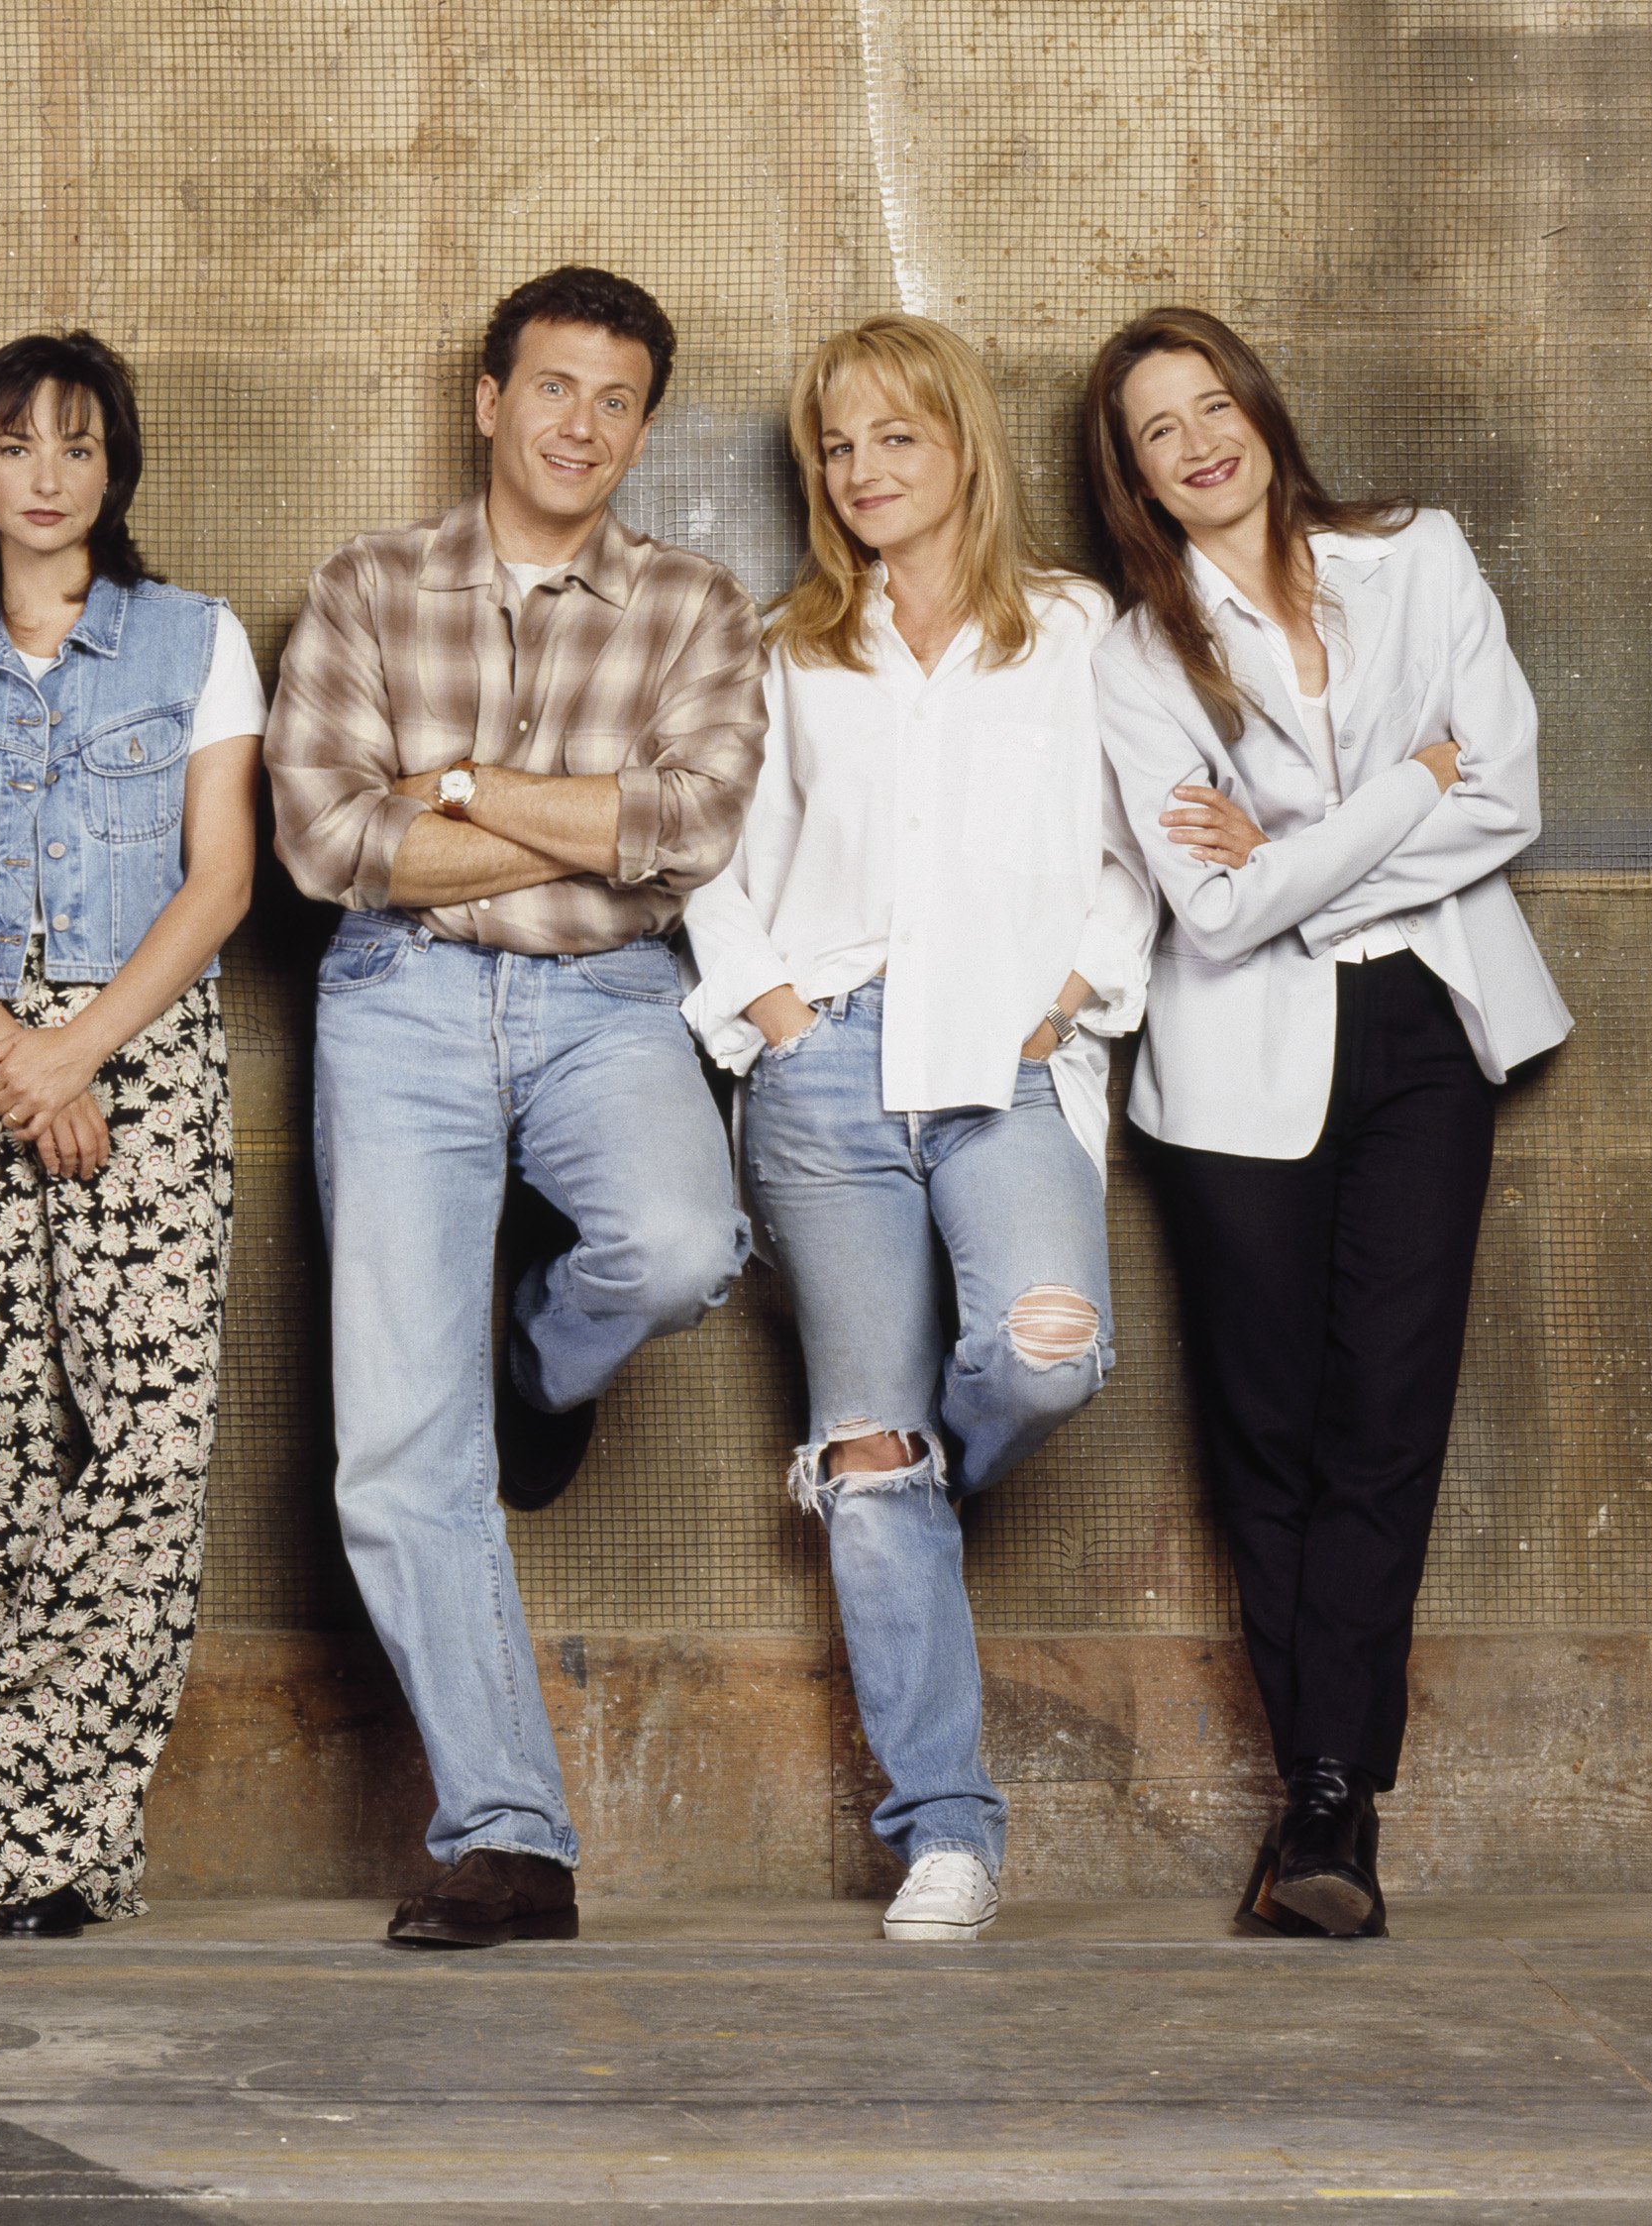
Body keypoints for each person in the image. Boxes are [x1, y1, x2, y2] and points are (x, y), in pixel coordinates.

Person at [266, 266, 766, 1949]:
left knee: (687, 1243)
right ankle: (506, 1834)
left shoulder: (696, 603)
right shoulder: (365, 586)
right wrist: (585, 817)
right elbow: (330, 847)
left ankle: (545, 1366)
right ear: (489, 400)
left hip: (608, 1002)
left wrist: (462, 788)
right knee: (397, 1448)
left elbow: (692, 833)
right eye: (554, 388)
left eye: (616, 401)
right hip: (395, 1007)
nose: (582, 426)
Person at [1080, 306, 1570, 1939]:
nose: (1200, 441)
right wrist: (1411, 786)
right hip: (1236, 1072)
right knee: (1271, 1433)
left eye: (1215, 405)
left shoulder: (1418, 556)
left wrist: (1310, 842)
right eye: (1162, 428)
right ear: (1134, 474)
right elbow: (1210, 919)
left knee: (1389, 1419)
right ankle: (1326, 1791)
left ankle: (1331, 1805)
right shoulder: (1136, 659)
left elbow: (1514, 794)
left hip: (1430, 1022)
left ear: (1263, 413)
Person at [682, 313, 1155, 1942]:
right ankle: (944, 1828)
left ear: (963, 445)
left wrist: (1067, 994)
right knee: (866, 1449)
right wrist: (772, 1016)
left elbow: (1133, 855)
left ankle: (906, 1483)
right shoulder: (790, 645)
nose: (865, 471)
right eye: (837, 444)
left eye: (896, 436)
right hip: (824, 1068)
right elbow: (718, 869)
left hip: (1006, 1061)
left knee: (1045, 1348)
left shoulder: (1079, 632)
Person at [0, 332, 263, 1939]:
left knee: (147, 1445)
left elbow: (220, 882)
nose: (46, 475)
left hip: (142, 1055)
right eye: (16, 444)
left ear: (116, 471)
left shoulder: (197, 642)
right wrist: (10, 1055)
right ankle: (52, 1863)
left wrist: (75, 1048)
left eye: (78, 448)